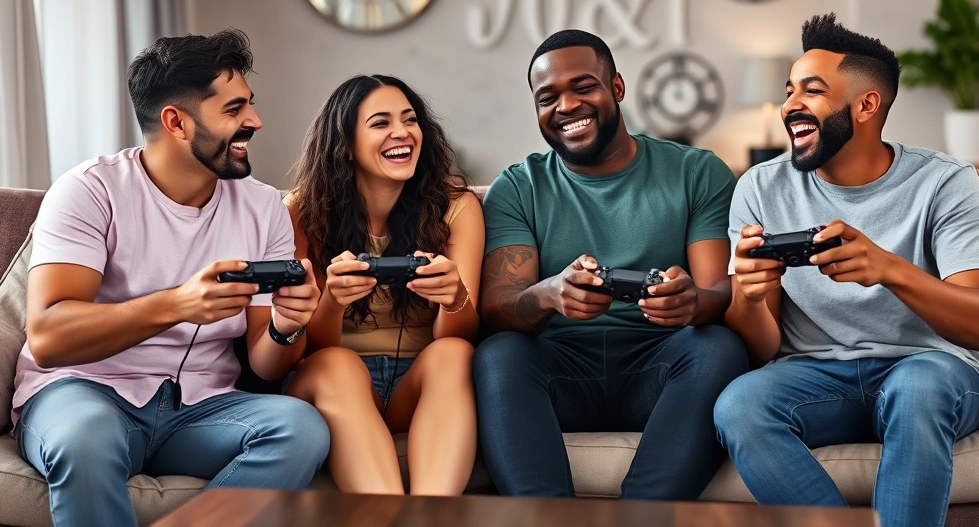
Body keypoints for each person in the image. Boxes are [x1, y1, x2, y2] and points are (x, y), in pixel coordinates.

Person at [13, 29, 330, 527]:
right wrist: (178, 304)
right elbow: (49, 337)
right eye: (234, 110)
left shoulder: (264, 208)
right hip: (83, 393)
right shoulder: (89, 191)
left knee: (301, 429)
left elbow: (268, 367)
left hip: (199, 410)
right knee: (85, 438)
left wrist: (286, 327)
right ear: (176, 122)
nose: (255, 121)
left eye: (250, 105)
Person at [714, 14, 979, 527]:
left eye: (812, 90)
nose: (789, 105)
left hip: (930, 367)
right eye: (789, 90)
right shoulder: (759, 189)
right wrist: (752, 298)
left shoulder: (946, 184)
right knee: (739, 405)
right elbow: (759, 348)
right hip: (815, 375)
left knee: (917, 391)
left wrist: (890, 269)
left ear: (866, 104)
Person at [472, 29, 748, 500]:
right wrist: (547, 294)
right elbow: (496, 308)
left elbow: (720, 293)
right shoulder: (518, 188)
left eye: (583, 87)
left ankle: (641, 514)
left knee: (718, 347)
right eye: (547, 97)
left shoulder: (697, 173)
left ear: (616, 88)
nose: (566, 106)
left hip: (661, 373)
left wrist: (690, 302)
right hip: (560, 374)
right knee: (498, 355)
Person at [284, 74, 483, 495]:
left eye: (410, 120)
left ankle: (432, 514)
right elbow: (309, 349)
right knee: (337, 365)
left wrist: (455, 298)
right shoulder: (300, 211)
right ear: (345, 143)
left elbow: (464, 336)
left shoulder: (457, 206)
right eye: (380, 123)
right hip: (336, 379)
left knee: (453, 352)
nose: (402, 132)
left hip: (421, 382)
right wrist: (332, 303)